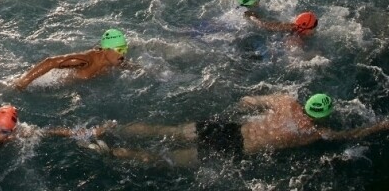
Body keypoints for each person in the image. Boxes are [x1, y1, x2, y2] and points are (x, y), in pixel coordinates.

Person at [108, 93, 389, 166]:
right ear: (324, 115)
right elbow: (350, 136)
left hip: (227, 128)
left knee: (165, 130)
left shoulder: (285, 102)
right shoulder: (312, 133)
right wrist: (381, 125)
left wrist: (247, 104)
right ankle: (116, 152)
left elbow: (249, 100)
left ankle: (112, 127)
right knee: (164, 159)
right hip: (234, 148)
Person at [14, 29, 129, 90]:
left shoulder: (114, 62)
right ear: (105, 49)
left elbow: (129, 67)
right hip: (48, 82)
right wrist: (23, 82)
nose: (123, 53)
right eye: (120, 49)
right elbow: (50, 62)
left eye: (125, 49)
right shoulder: (86, 61)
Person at [244, 10, 318, 37]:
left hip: (274, 26)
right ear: (304, 27)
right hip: (266, 32)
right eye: (313, 27)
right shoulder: (295, 39)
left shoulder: (297, 27)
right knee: (263, 24)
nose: (315, 29)